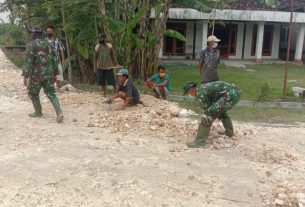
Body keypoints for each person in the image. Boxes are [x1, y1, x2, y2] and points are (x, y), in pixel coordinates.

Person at [22, 27, 64, 123]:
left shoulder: (31, 45)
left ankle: (38, 112)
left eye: (31, 33)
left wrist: (25, 76)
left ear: (34, 34)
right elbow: (55, 60)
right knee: (51, 93)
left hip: (36, 75)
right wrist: (55, 74)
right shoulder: (49, 45)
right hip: (49, 73)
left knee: (33, 92)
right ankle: (59, 113)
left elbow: (28, 61)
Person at [183, 81, 241, 148]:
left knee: (208, 115)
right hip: (235, 92)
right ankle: (229, 132)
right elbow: (212, 103)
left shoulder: (201, 93)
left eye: (188, 92)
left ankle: (199, 141)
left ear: (191, 90)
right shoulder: (202, 88)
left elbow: (208, 108)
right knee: (220, 111)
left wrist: (207, 117)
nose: (189, 94)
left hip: (230, 94)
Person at [46, 25, 65, 92]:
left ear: (53, 32)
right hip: (48, 61)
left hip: (57, 60)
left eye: (50, 31)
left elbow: (61, 50)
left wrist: (63, 60)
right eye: (47, 31)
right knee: (50, 74)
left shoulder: (58, 40)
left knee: (59, 74)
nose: (48, 32)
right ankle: (50, 87)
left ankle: (58, 88)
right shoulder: (45, 40)